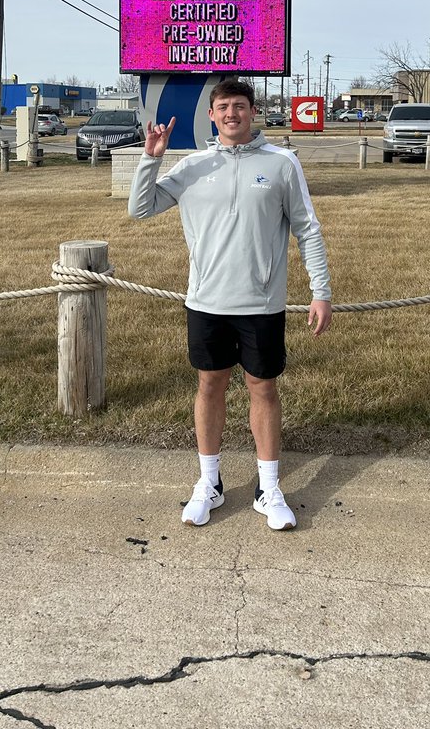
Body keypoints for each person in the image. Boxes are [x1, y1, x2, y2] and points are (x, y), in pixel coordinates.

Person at [128, 78, 332, 531]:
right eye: (223, 106)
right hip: (206, 301)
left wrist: (321, 291)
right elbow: (140, 209)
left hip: (261, 304)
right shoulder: (193, 165)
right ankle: (209, 484)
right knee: (209, 386)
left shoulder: (281, 163)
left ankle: (269, 488)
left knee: (263, 388)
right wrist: (151, 158)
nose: (232, 113)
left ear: (253, 112)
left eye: (240, 105)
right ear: (213, 115)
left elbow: (308, 229)